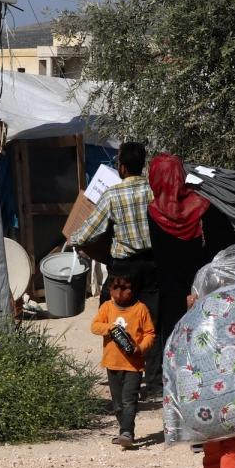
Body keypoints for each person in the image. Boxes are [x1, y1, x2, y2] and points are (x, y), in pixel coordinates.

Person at [146, 153, 235, 400]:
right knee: (207, 337)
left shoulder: (153, 213)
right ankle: (212, 388)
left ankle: (181, 393)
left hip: (170, 290)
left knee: (175, 339)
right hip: (203, 286)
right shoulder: (204, 207)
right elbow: (224, 244)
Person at [71, 141, 159, 346]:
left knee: (114, 317)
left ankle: (120, 365)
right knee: (152, 322)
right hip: (151, 265)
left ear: (122, 167)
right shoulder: (154, 191)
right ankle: (155, 376)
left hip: (123, 268)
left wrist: (74, 238)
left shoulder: (113, 194)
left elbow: (90, 231)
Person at [89, 266, 156, 449]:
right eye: (115, 288)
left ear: (133, 289)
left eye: (125, 288)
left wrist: (140, 348)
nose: (120, 293)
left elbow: (150, 333)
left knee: (129, 399)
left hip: (133, 365)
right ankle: (123, 430)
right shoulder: (107, 307)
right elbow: (95, 326)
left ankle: (127, 432)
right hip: (112, 363)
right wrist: (110, 328)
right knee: (117, 404)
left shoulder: (141, 309)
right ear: (110, 289)